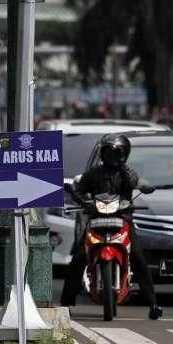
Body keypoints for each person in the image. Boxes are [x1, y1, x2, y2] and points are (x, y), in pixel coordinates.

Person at [60, 134, 163, 320]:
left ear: (125, 155)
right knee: (78, 258)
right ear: (102, 153)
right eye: (108, 152)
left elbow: (136, 183)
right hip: (96, 220)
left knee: (139, 256)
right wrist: (76, 195)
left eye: (117, 153)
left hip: (122, 220)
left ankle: (153, 303)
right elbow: (80, 190)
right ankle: (66, 303)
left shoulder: (127, 173)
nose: (112, 157)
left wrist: (124, 169)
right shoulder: (93, 173)